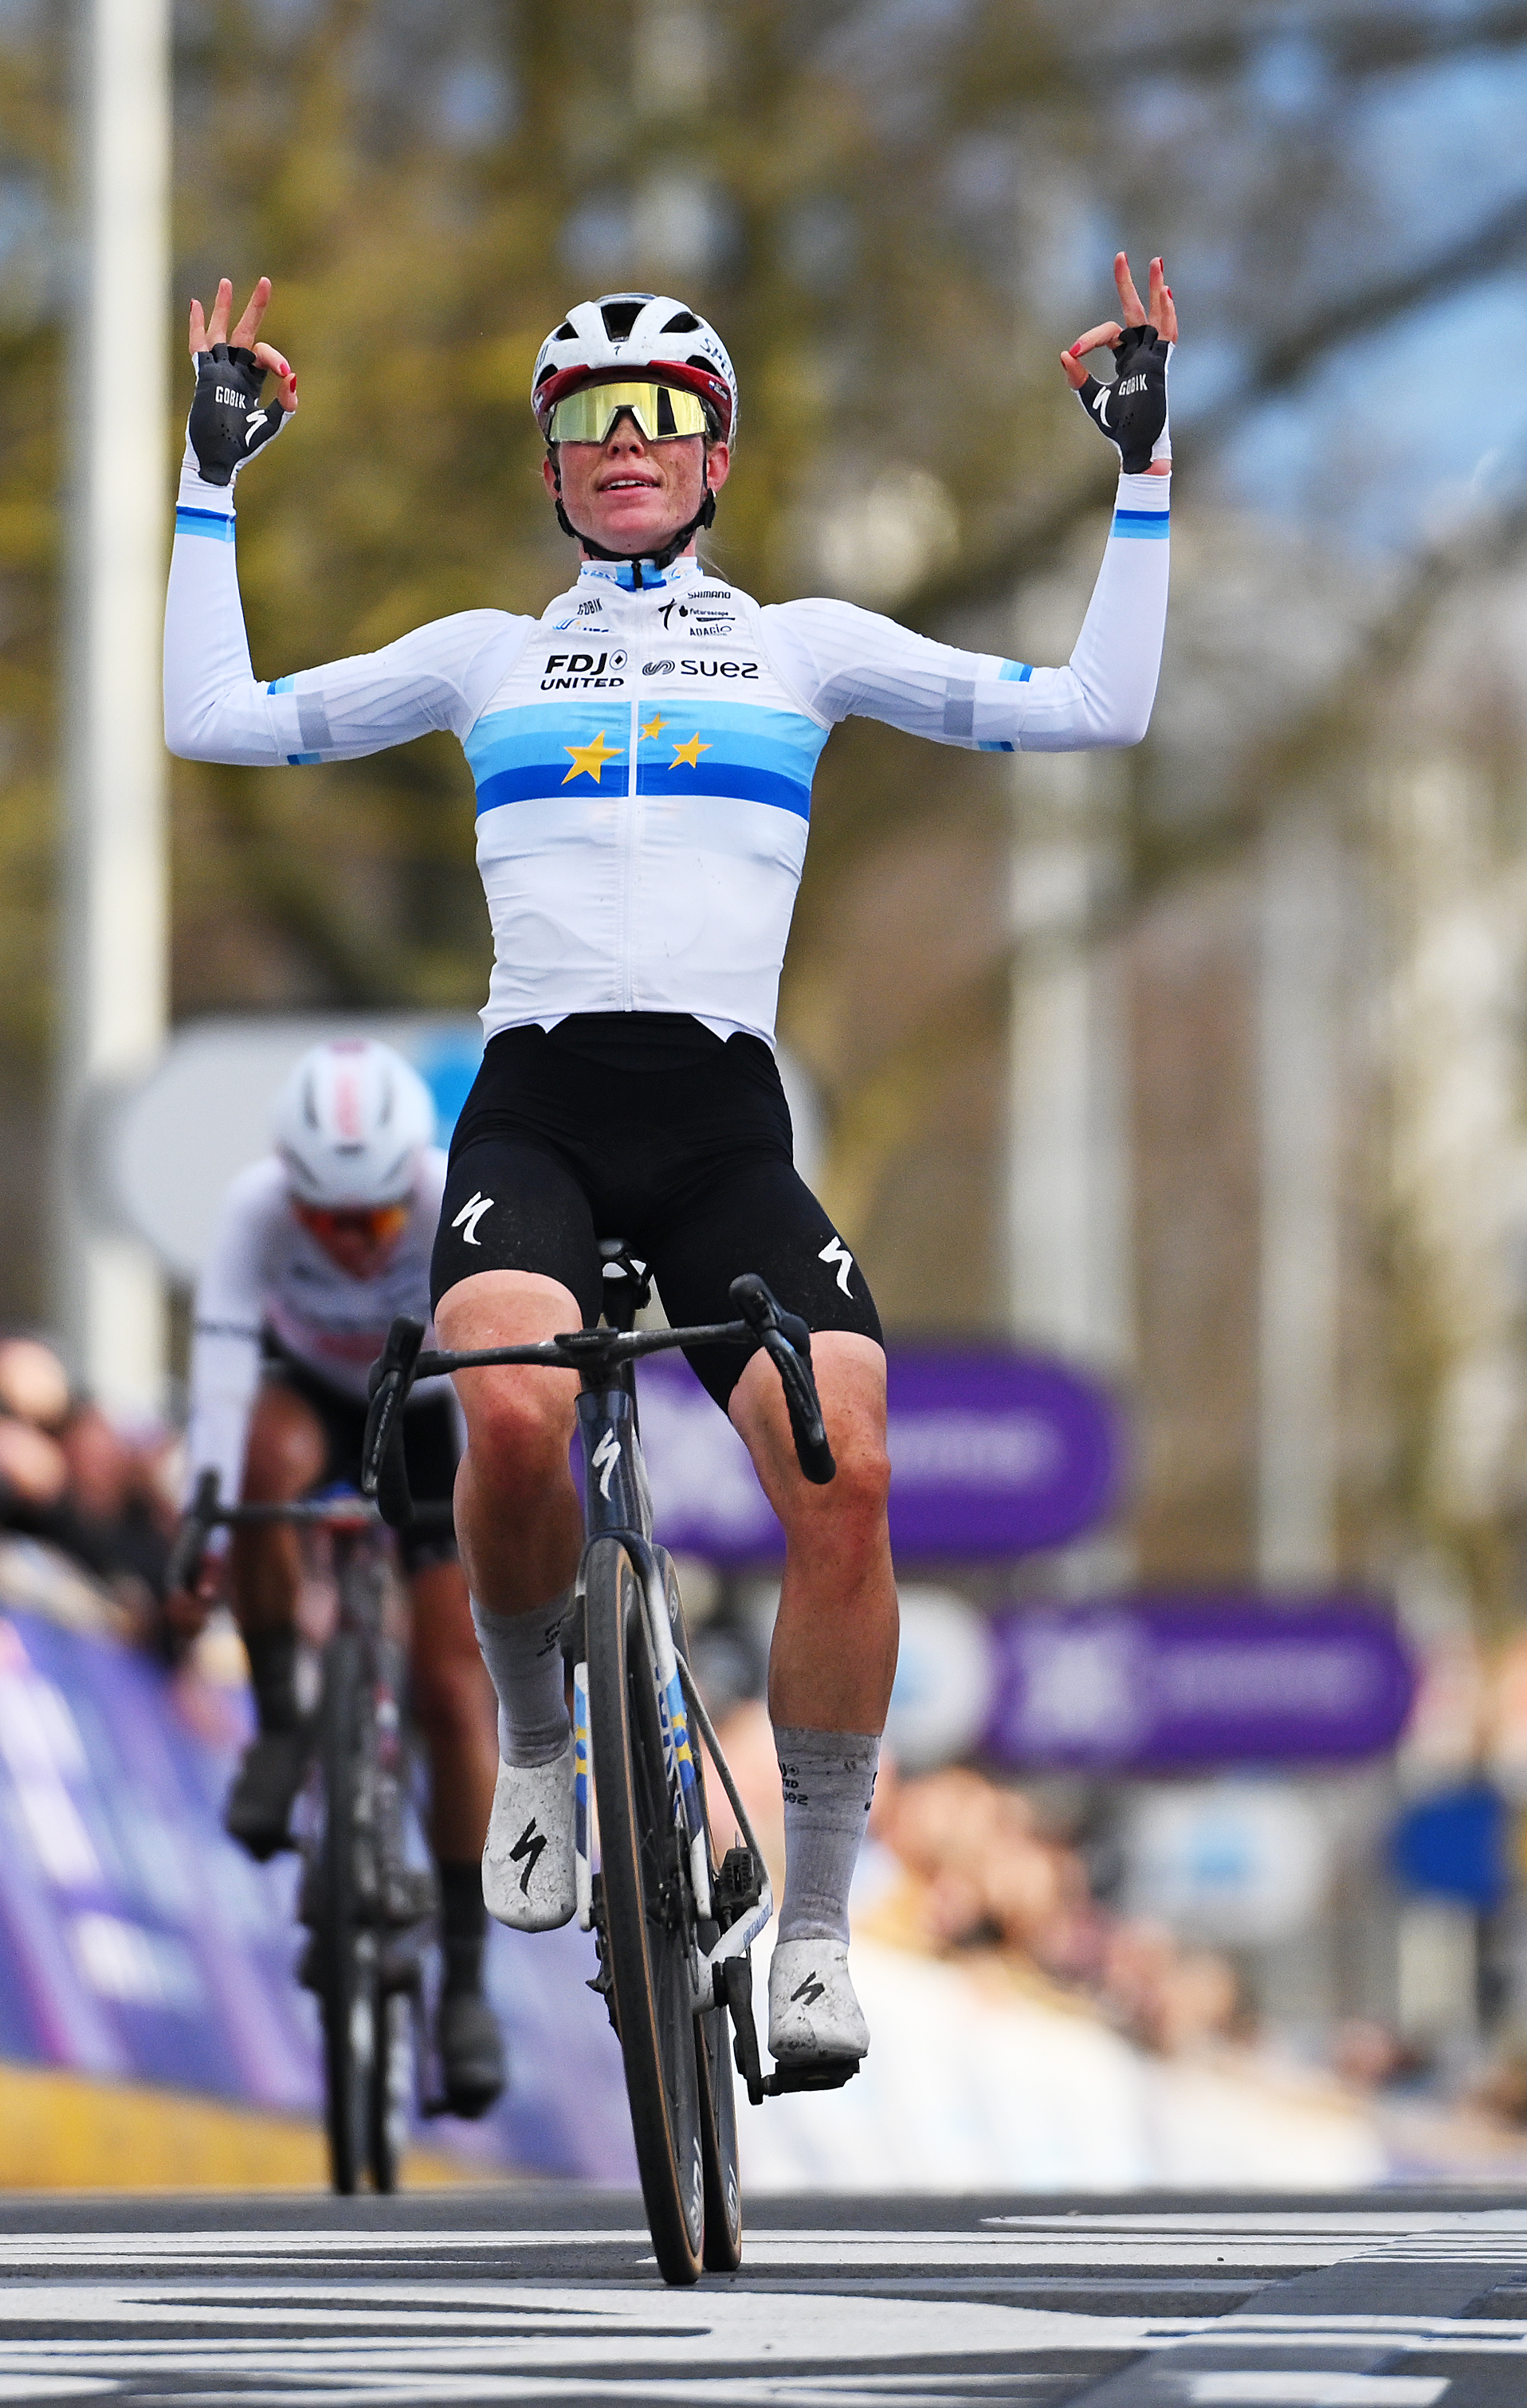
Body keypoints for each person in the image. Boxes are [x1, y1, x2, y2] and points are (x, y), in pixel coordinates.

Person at [162, 259, 1178, 2081]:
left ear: (718, 457)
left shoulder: (805, 646)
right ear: (549, 469)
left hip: (720, 1124)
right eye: (586, 423)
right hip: (536, 1108)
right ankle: (542, 1753)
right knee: (508, 1410)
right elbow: (212, 721)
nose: (624, 447)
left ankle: (808, 1933)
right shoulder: (482, 656)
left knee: (847, 1468)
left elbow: (1097, 706)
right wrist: (209, 486)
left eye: (661, 419)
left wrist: (1140, 476)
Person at [179, 1037, 501, 2116]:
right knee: (258, 1472)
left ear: (410, 1177)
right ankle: (279, 1721)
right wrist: (205, 1510)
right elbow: (222, 1368)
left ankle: (464, 1980)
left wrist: (473, 1535)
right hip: (310, 1395)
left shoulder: (456, 1195)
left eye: (373, 1220)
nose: (354, 1242)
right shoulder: (255, 1207)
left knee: (454, 1690)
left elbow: (487, 1391)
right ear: (291, 1185)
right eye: (326, 1219)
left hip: (430, 1406)